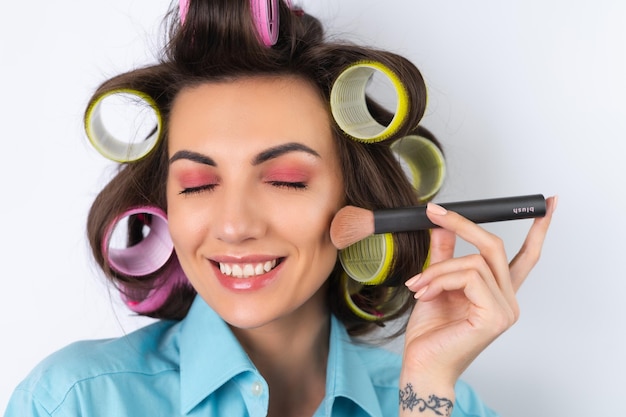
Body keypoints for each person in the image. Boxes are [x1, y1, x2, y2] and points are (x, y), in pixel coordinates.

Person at [4, 1, 556, 416]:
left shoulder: (438, 400)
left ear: (353, 198)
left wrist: (427, 391)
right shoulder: (76, 400)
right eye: (197, 184)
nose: (235, 224)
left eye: (285, 179)